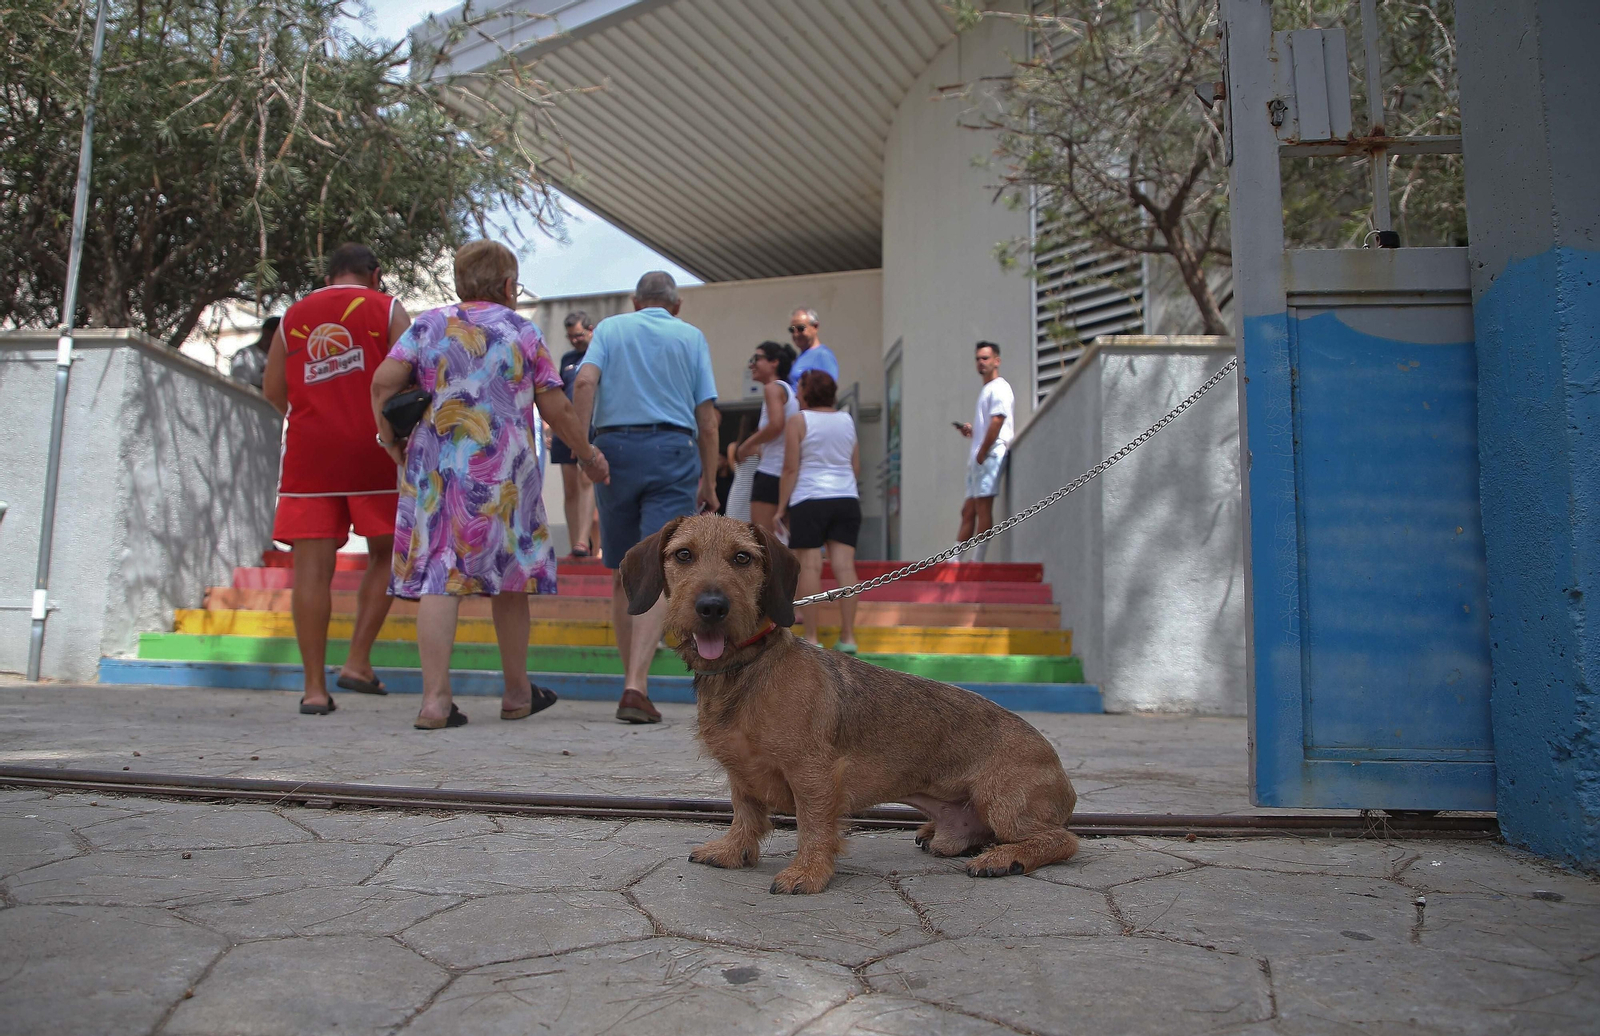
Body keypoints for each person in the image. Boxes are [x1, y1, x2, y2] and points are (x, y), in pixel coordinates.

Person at [370, 240, 610, 730]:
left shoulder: (428, 325)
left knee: (440, 577)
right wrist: (587, 455)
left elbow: (381, 382)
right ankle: (518, 692)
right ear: (507, 286)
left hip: (437, 472)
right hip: (504, 472)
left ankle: (435, 702)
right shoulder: (520, 330)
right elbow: (556, 408)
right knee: (512, 578)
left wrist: (390, 441)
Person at [262, 244, 410, 715]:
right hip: (375, 449)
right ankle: (357, 661)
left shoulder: (293, 316)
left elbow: (272, 390)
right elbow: (412, 378)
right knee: (387, 552)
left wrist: (310, 418)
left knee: (311, 571)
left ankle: (313, 689)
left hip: (310, 457)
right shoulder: (387, 309)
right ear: (376, 273)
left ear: (329, 275)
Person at [572, 271, 719, 724]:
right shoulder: (690, 336)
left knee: (624, 567)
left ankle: (629, 682)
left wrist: (584, 449)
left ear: (637, 302)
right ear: (675, 306)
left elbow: (583, 383)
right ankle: (637, 685)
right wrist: (710, 481)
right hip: (672, 452)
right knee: (658, 565)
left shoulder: (611, 329)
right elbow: (708, 419)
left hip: (614, 450)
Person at [777, 370, 862, 654]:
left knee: (810, 566)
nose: (797, 393)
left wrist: (781, 507)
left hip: (809, 498)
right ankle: (848, 636)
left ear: (807, 392)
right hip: (846, 498)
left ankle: (811, 637)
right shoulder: (847, 420)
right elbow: (855, 465)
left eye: (799, 388)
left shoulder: (798, 421)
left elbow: (791, 468)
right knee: (845, 566)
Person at [953, 341, 1015, 562]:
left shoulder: (1000, 387)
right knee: (967, 510)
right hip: (980, 457)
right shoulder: (987, 389)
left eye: (985, 358)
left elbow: (998, 420)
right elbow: (989, 422)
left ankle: (977, 561)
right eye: (978, 358)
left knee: (982, 508)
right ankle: (956, 560)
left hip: (991, 455)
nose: (981, 362)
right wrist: (972, 431)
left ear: (996, 361)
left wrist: (983, 450)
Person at [551, 311, 602, 558]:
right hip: (565, 427)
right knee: (570, 487)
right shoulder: (567, 359)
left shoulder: (599, 354)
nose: (574, 341)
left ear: (591, 330)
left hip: (591, 427)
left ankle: (584, 541)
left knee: (586, 480)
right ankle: (575, 544)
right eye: (570, 336)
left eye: (579, 335)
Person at [734, 341, 798, 533]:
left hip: (770, 474)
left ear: (774, 362)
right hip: (785, 474)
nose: (751, 365)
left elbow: (776, 425)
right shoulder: (789, 392)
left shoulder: (772, 388)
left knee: (764, 540)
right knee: (783, 540)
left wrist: (746, 445)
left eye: (757, 359)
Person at [785, 307, 839, 391]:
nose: (796, 334)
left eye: (800, 329)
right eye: (792, 330)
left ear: (815, 327)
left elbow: (827, 392)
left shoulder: (823, 355)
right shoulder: (800, 357)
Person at [723, 413, 758, 522]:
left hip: (738, 489)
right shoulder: (760, 448)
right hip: (754, 489)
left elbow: (734, 468)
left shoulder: (733, 447)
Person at [230, 315, 277, 390]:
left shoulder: (279, 359)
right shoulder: (244, 355)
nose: (270, 342)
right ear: (264, 332)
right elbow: (239, 385)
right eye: (268, 337)